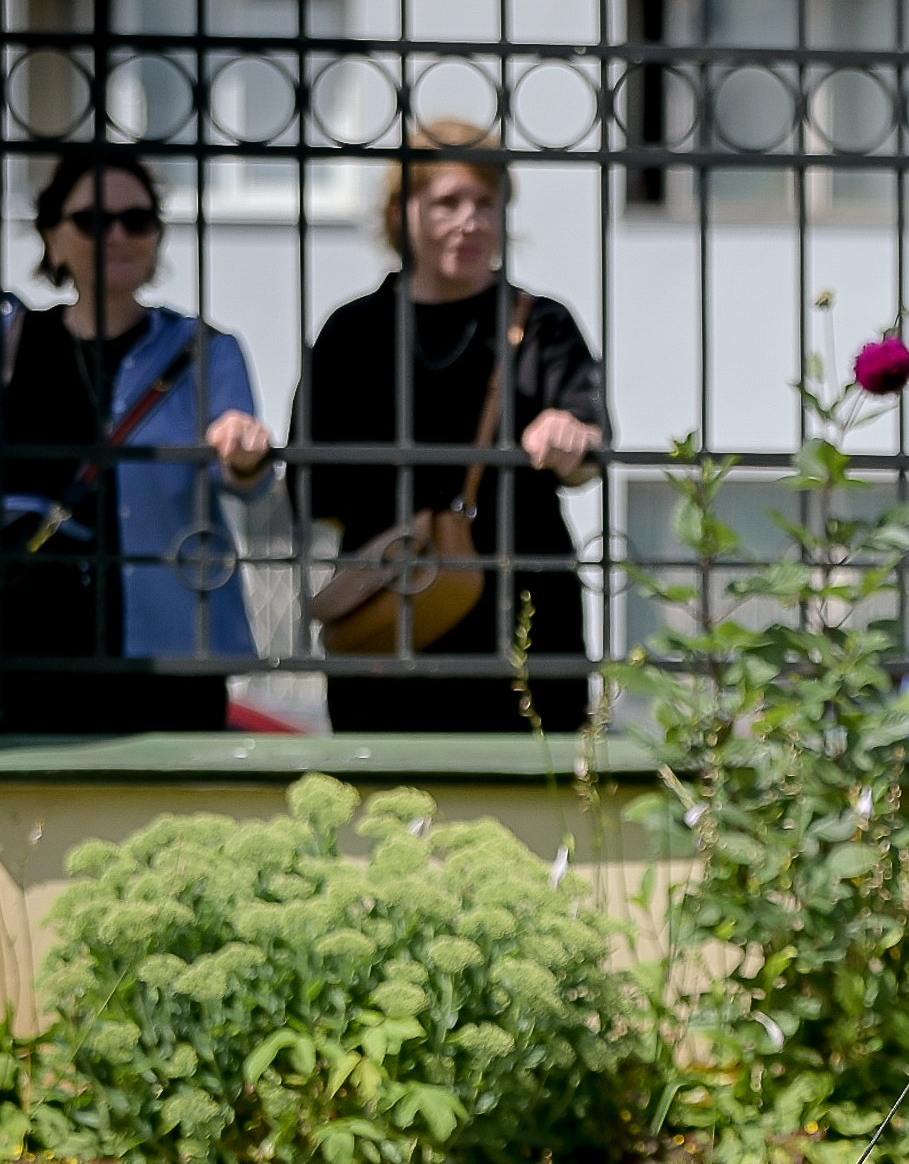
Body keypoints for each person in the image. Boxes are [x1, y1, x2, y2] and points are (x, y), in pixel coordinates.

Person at [296, 121, 604, 733]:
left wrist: (569, 437)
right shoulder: (353, 332)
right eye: (446, 202)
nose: (469, 221)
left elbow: (592, 451)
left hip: (524, 618)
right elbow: (309, 486)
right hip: (392, 613)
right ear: (399, 213)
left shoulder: (541, 323)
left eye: (485, 203)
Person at [0, 150, 273, 734]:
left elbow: (247, 483)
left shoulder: (205, 350)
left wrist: (246, 455)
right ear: (52, 237)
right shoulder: (14, 342)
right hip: (28, 641)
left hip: (170, 649)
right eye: (92, 221)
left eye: (137, 220)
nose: (117, 236)